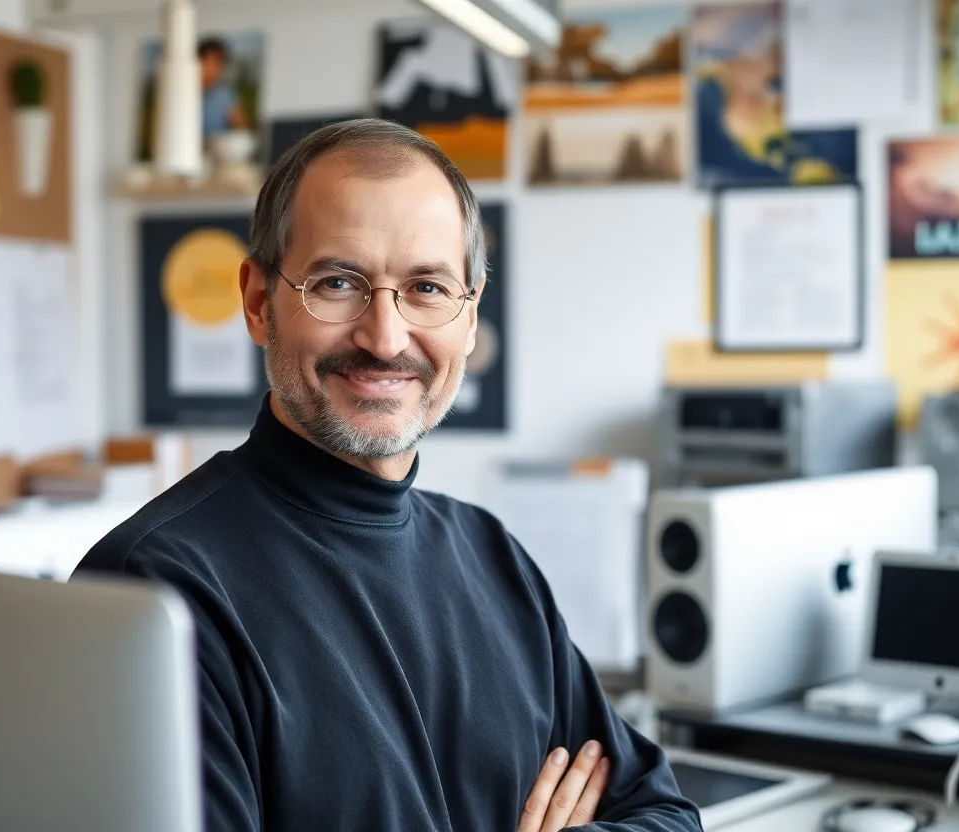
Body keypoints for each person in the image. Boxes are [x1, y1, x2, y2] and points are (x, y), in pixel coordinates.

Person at [73, 119, 702, 832]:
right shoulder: (152, 592)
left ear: (469, 317)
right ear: (256, 302)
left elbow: (666, 814)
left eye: (427, 287)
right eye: (337, 282)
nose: (385, 337)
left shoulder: (491, 559)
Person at [199, 36, 247, 142]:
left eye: (220, 62)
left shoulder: (226, 93)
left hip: (217, 151)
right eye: (212, 61)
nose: (217, 67)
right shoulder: (182, 94)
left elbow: (240, 127)